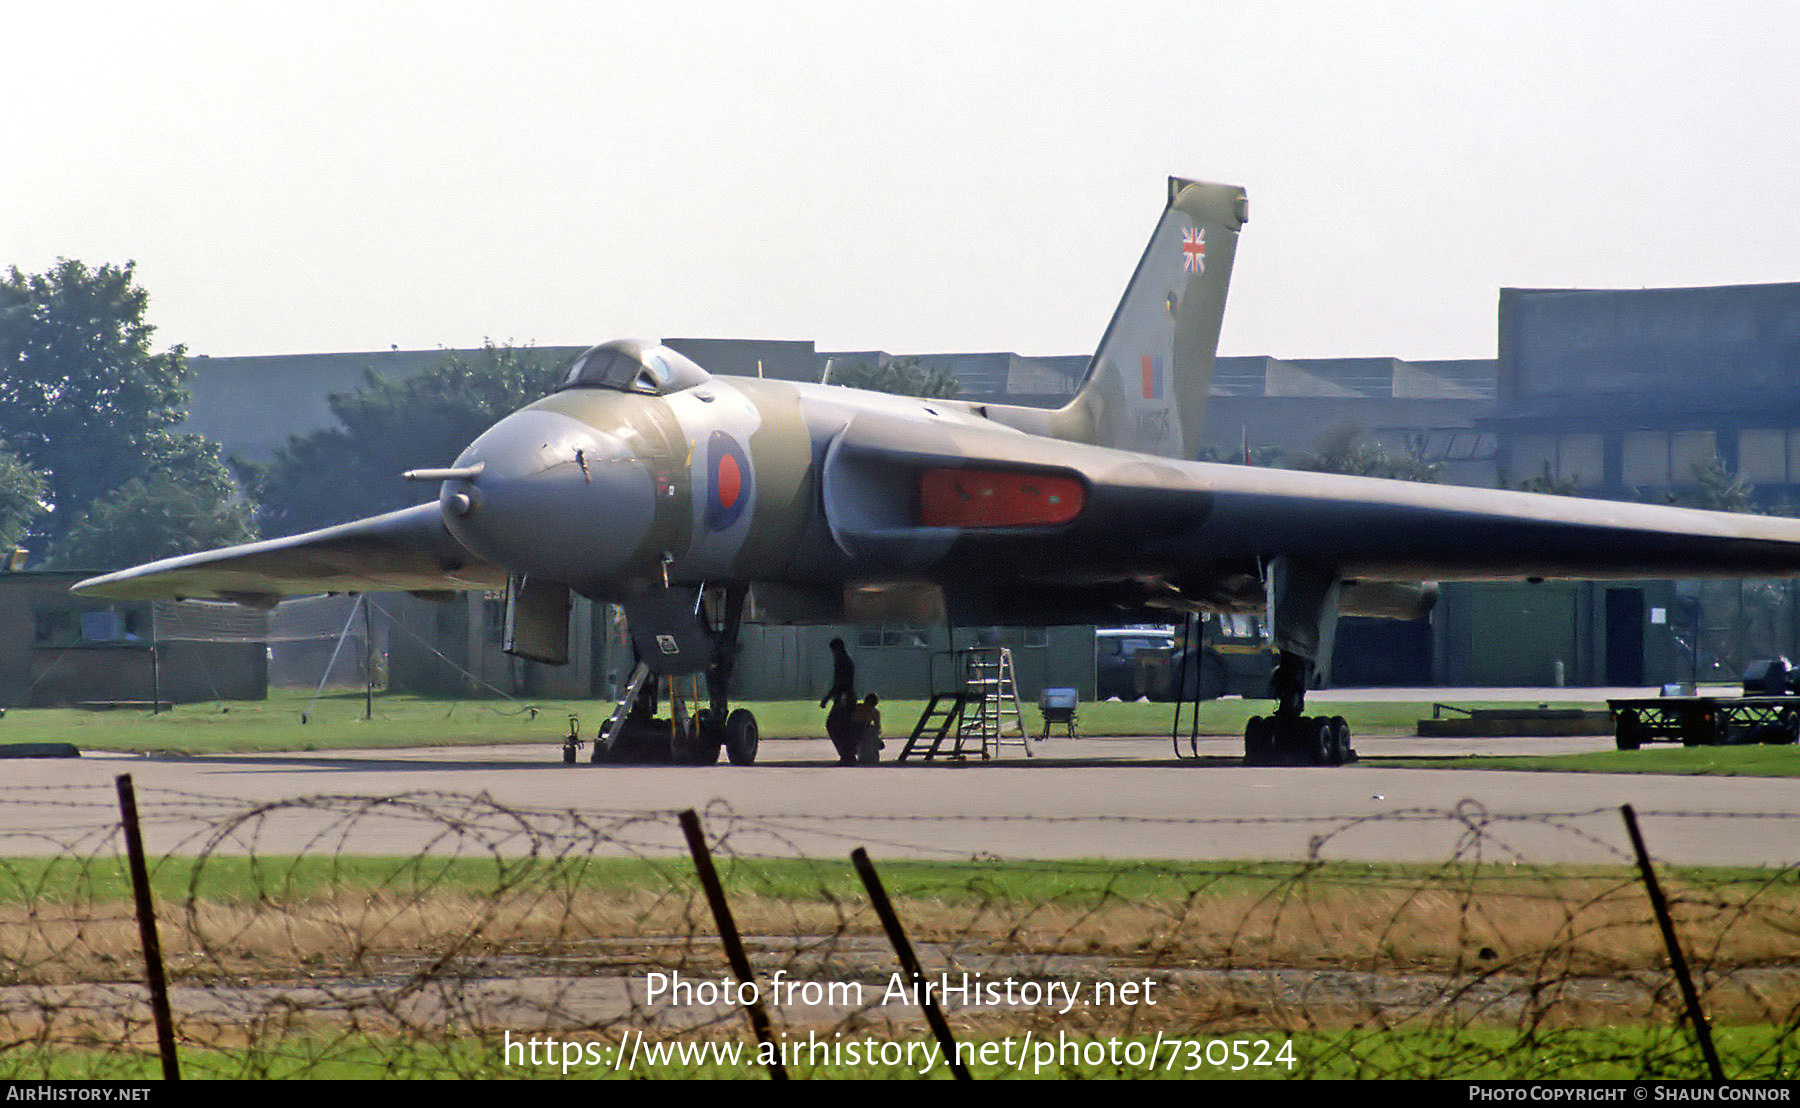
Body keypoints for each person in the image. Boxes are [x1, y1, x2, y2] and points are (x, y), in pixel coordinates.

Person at [822, 638, 856, 763]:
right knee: (842, 726)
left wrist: (827, 697)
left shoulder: (842, 661)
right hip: (846, 696)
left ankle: (846, 754)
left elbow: (840, 682)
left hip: (844, 697)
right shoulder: (846, 660)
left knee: (835, 725)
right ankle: (847, 754)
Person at [849, 693, 882, 766]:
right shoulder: (873, 711)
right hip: (859, 729)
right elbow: (878, 726)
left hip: (857, 730)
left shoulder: (858, 707)